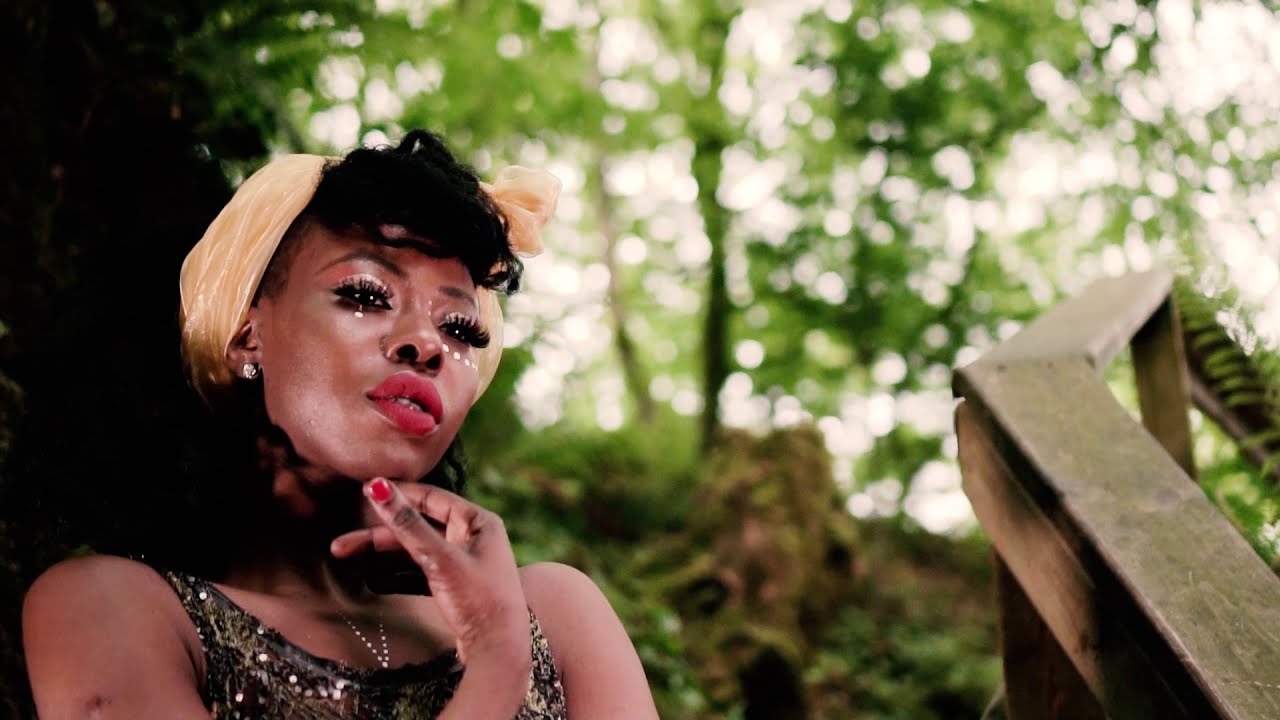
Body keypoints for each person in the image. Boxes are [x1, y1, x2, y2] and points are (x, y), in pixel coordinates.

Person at [19, 130, 659, 718]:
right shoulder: (112, 608)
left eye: (460, 329)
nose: (427, 344)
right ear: (246, 336)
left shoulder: (558, 618)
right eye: (365, 295)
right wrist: (497, 664)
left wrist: (510, 636)